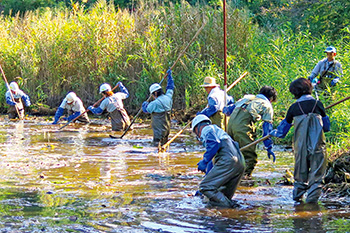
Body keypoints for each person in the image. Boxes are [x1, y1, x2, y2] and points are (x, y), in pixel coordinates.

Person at [270, 78, 330, 203]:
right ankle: (312, 205)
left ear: (295, 93)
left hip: (300, 147)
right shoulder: (318, 105)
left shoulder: (293, 108)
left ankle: (298, 202)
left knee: (300, 176)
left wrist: (273, 133)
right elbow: (327, 127)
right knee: (317, 177)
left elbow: (282, 132)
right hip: (318, 146)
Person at [192, 114, 245, 208]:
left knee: (206, 187)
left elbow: (214, 143)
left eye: (196, 133)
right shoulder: (219, 132)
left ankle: (232, 208)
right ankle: (232, 212)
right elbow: (212, 167)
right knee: (221, 196)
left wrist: (204, 160)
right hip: (240, 162)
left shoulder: (207, 129)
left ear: (197, 127)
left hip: (228, 160)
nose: (198, 137)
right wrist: (207, 177)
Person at [226, 86, 277, 177]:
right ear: (271, 98)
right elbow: (267, 130)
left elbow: (228, 110)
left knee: (232, 154)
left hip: (229, 126)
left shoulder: (246, 98)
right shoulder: (266, 105)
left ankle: (229, 175)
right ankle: (243, 180)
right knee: (249, 157)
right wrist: (268, 147)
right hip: (241, 128)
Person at [142, 69, 174, 146]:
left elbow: (146, 110)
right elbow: (171, 87)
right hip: (167, 130)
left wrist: (144, 104)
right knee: (165, 145)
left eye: (153, 95)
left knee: (156, 146)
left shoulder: (155, 103)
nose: (153, 96)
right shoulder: (168, 97)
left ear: (155, 93)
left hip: (158, 133)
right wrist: (170, 77)